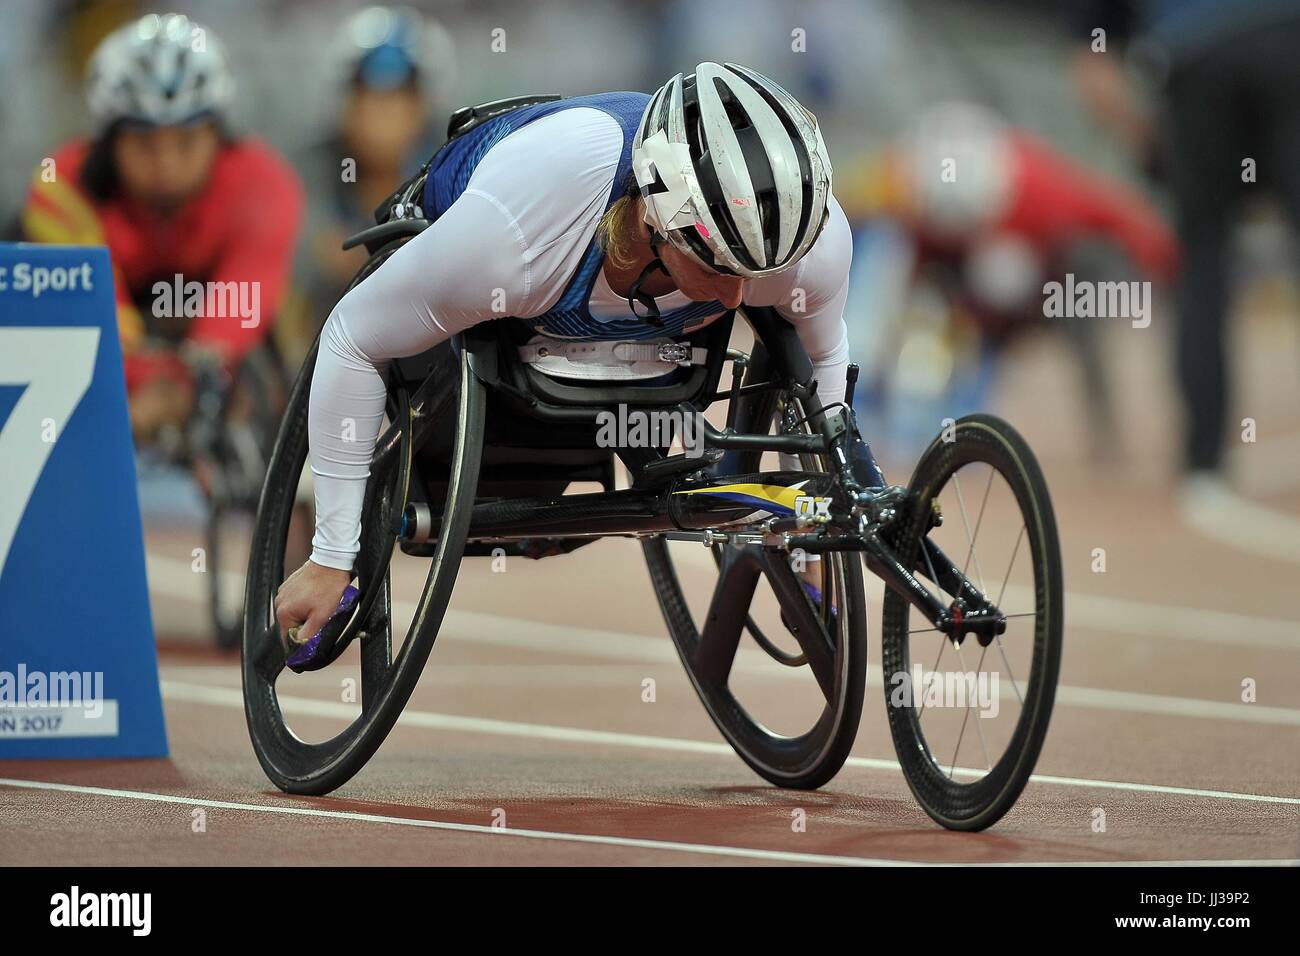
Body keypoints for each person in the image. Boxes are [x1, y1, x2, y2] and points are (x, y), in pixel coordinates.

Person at [273, 63, 857, 666]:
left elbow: (822, 373)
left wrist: (810, 552)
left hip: (590, 314)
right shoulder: (513, 238)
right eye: (716, 268)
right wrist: (330, 557)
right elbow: (349, 336)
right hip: (495, 218)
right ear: (655, 218)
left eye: (753, 273)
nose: (736, 299)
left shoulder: (803, 243)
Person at [22, 12, 304, 445]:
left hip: (209, 326)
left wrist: (190, 380)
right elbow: (91, 327)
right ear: (108, 141)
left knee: (290, 337)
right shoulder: (61, 188)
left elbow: (243, 301)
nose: (167, 164)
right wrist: (149, 386)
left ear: (218, 134)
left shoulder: (265, 184)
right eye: (144, 142)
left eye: (187, 140)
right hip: (123, 328)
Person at [1066, 0, 1300, 512]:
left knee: (1202, 261)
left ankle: (1203, 464)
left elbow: (1096, 71)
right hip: (1287, 42)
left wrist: (1151, 144)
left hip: (1196, 62)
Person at [296, 6, 453, 346]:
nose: (381, 116)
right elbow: (303, 258)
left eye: (397, 99)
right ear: (346, 107)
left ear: (422, 108)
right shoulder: (311, 173)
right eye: (369, 98)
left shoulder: (452, 175)